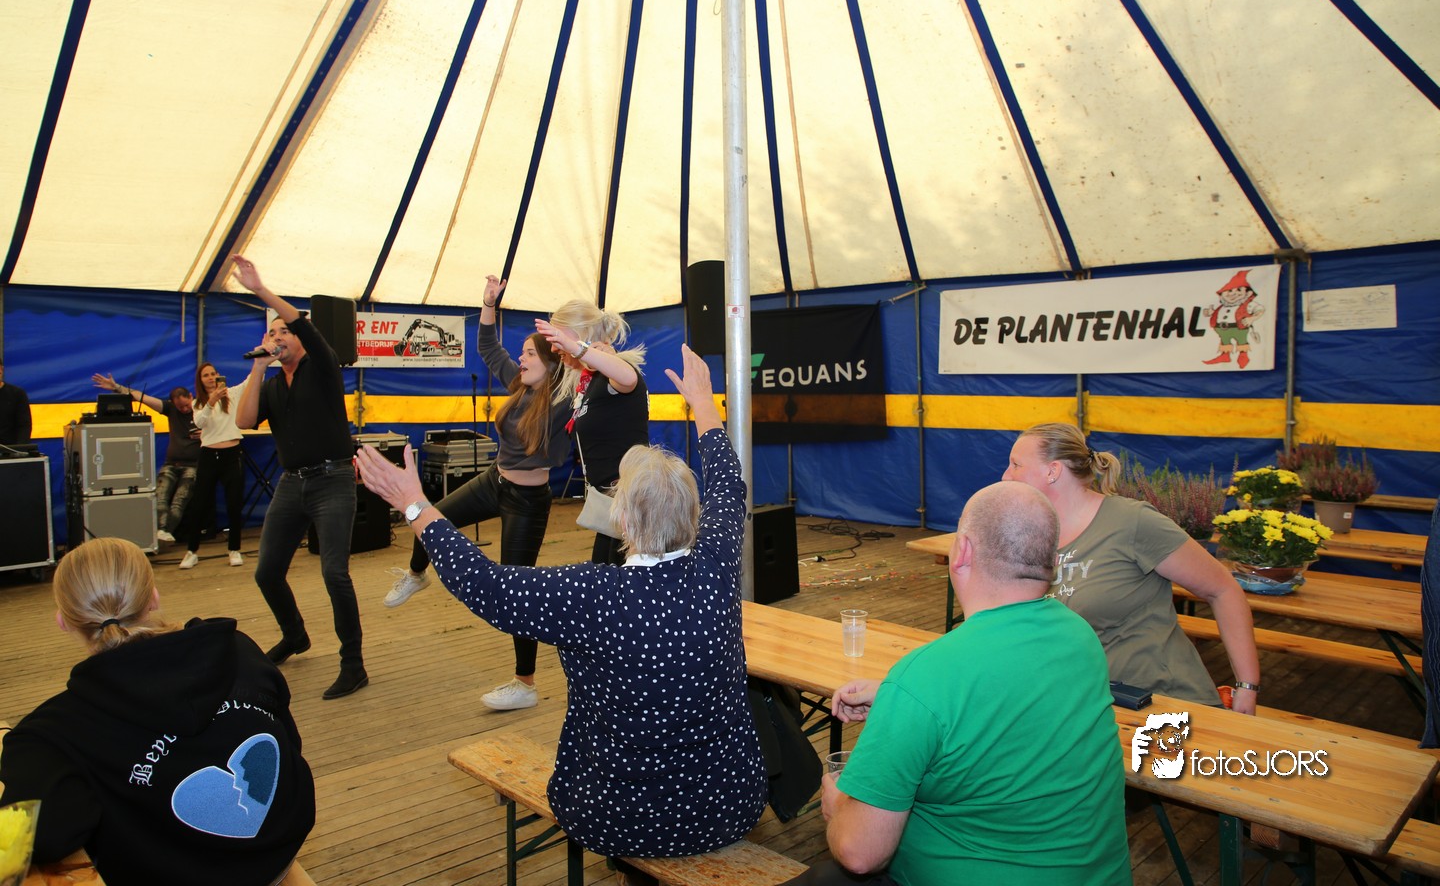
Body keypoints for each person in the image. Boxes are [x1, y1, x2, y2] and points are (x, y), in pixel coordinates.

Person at [354, 344, 767, 860]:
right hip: (727, 806)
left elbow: (486, 586)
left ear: (623, 520)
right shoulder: (717, 564)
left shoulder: (592, 594)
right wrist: (703, 403)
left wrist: (414, 504)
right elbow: (729, 484)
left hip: (616, 819)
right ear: (694, 516)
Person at [786, 482, 1131, 886]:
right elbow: (1013, 702)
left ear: (962, 551)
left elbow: (859, 854)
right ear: (1050, 561)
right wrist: (898, 701)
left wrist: (838, 807)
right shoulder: (1080, 637)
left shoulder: (924, 677)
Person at [0, 537, 315, 886]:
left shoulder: (52, 736)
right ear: (153, 597)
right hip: (279, 851)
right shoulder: (237, 650)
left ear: (63, 620)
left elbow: (39, 841)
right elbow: (289, 742)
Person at [381, 274, 571, 713]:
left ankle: (525, 684)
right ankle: (416, 574)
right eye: (522, 352)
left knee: (516, 592)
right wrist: (488, 304)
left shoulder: (563, 401)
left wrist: (575, 345)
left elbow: (598, 376)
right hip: (493, 482)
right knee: (428, 517)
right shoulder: (519, 383)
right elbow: (487, 346)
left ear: (550, 362)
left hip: (527, 502)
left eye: (529, 353)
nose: (521, 358)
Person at [1002, 422, 1261, 713]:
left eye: (1016, 465)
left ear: (1053, 471)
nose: (1006, 476)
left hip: (1164, 704)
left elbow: (1222, 589)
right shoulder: (1034, 535)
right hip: (1088, 706)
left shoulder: (1132, 522)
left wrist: (1247, 686)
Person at [231, 256, 367, 701]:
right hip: (292, 484)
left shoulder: (323, 366)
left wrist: (260, 289)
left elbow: (302, 324)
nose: (277, 338)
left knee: (334, 573)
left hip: (333, 480)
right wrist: (258, 367)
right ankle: (295, 635)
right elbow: (244, 421)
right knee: (267, 572)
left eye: (283, 332)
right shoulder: (272, 384)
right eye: (270, 334)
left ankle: (353, 664)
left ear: (301, 340)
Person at [533, 299, 649, 565]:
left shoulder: (613, 373)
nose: (554, 347)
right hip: (610, 508)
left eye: (558, 337)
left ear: (580, 334)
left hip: (631, 506)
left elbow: (629, 378)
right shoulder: (589, 382)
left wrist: (577, 348)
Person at [90, 376, 202, 542]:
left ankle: (165, 530)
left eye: (187, 405)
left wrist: (205, 434)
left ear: (191, 396)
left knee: (179, 500)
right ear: (173, 404)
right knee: (160, 497)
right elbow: (141, 397)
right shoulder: (170, 409)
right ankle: (161, 531)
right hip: (172, 463)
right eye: (180, 407)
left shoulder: (202, 410)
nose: (185, 409)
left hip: (193, 465)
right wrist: (116, 387)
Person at [171, 363, 250, 569]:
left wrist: (262, 362)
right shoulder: (197, 403)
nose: (210, 377)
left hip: (232, 454)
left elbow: (251, 381)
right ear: (200, 380)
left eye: (213, 374)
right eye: (206, 375)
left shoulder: (231, 394)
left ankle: (234, 549)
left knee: (234, 503)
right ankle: (192, 551)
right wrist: (211, 401)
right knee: (199, 503)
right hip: (208, 455)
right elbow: (199, 423)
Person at [0, 355, 32, 445]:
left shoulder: (17, 394)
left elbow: (24, 426)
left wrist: (19, 449)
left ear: (2, 369)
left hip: (10, 449)